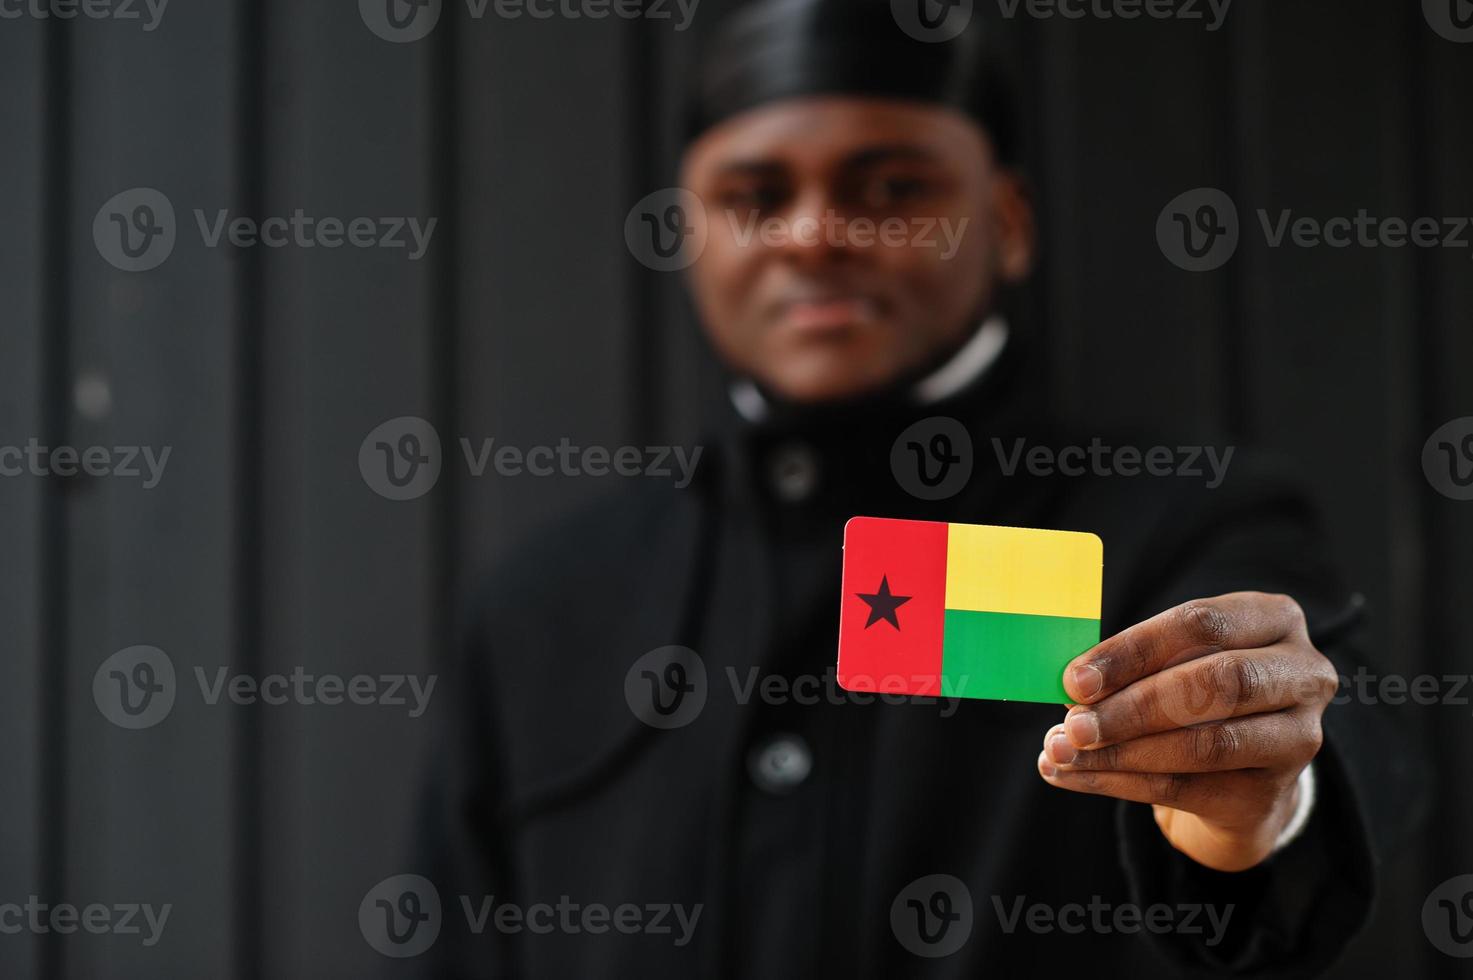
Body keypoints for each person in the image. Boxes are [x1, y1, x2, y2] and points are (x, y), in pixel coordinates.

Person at [410, 0, 1419, 975]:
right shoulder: (545, 606)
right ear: (689, 232)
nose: (814, 235)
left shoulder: (1183, 527)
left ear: (1008, 221)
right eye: (755, 198)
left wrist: (1261, 799)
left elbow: (1328, 760)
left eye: (893, 188)